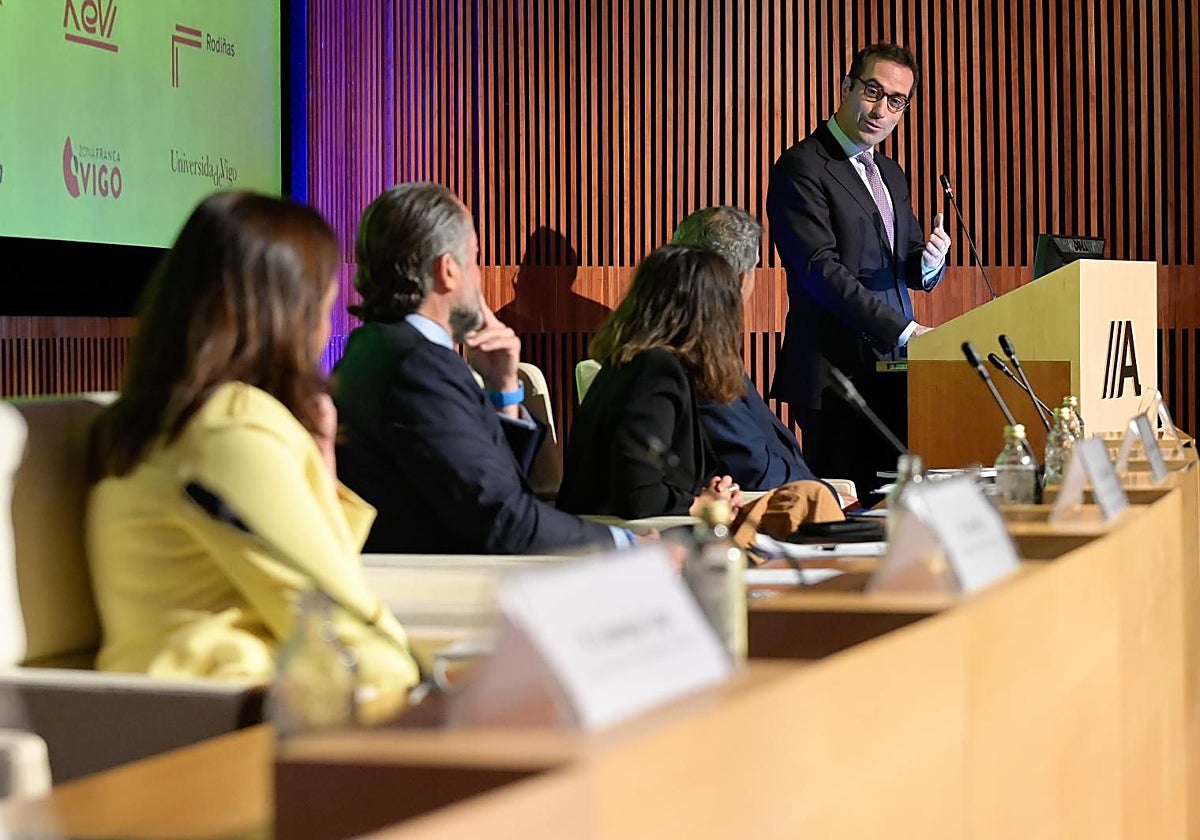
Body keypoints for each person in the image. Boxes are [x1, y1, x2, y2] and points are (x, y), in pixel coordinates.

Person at [87, 191, 420, 721]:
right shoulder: (230, 429)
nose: (327, 330)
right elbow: (347, 634)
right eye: (324, 307)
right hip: (226, 731)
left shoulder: (187, 418)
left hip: (206, 715)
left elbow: (321, 590)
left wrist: (322, 455)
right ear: (290, 314)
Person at [333, 182, 628, 553]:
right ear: (449, 271)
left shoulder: (376, 348)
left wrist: (503, 391)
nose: (479, 278)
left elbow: (486, 484)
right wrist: (625, 542)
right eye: (474, 260)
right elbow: (501, 517)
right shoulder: (417, 367)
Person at [767, 42, 951, 501]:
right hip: (836, 375)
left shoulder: (890, 172)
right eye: (873, 91)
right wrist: (905, 331)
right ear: (847, 87)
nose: (881, 110)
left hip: (894, 372)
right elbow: (818, 270)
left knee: (899, 508)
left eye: (896, 101)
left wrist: (929, 263)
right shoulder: (802, 165)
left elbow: (905, 260)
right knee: (847, 515)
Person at [556, 245, 747, 520]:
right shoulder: (655, 370)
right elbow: (639, 495)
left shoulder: (635, 363)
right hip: (619, 549)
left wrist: (714, 492)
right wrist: (702, 506)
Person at [672, 206, 837, 501]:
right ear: (738, 280)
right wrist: (823, 496)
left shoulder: (696, 339)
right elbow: (755, 468)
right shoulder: (692, 351)